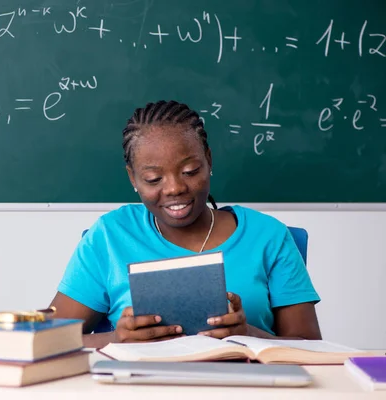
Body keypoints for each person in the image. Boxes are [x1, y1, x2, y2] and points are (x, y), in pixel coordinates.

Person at [49, 100, 322, 348]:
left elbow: (312, 347)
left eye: (190, 172)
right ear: (133, 179)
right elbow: (47, 340)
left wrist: (247, 333)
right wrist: (116, 339)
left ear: (209, 161)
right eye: (154, 179)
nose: (175, 188)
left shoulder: (268, 236)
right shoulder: (110, 236)